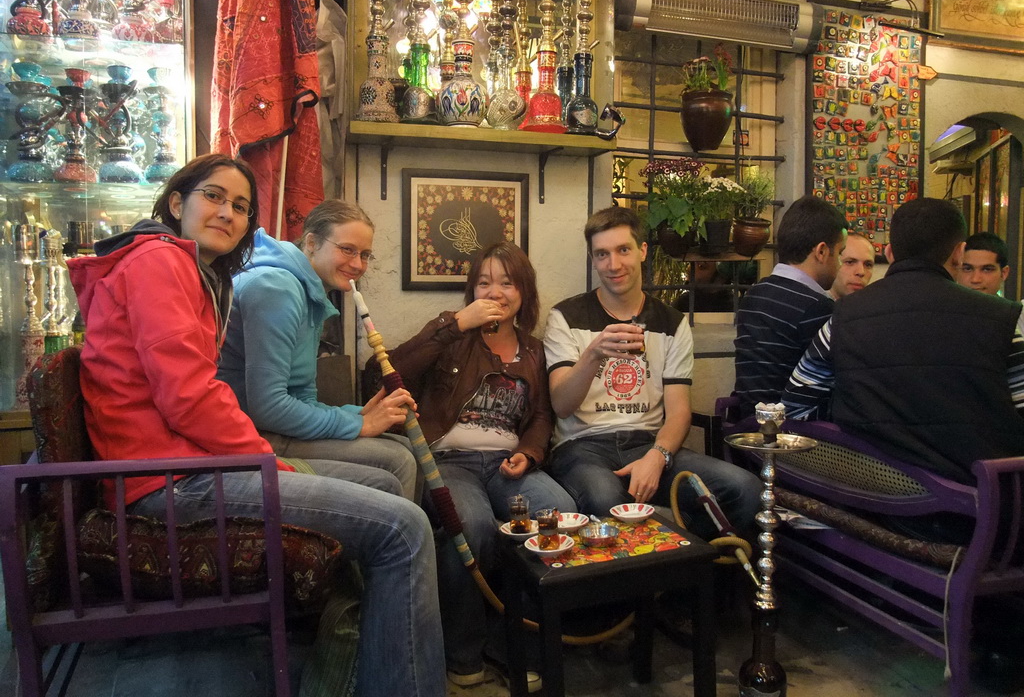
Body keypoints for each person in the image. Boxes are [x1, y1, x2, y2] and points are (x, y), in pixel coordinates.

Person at [67, 154, 445, 697]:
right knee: (404, 530)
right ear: (177, 203)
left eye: (240, 206)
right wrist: (272, 460)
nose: (227, 212)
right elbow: (191, 399)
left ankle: (353, 664)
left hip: (186, 464)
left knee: (390, 484)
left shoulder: (186, 268)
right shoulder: (161, 263)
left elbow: (199, 394)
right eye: (214, 197)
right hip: (167, 481)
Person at [373, 241, 574, 690]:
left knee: (556, 513)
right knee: (470, 524)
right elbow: (381, 373)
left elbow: (542, 416)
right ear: (471, 289)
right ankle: (463, 649)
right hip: (450, 461)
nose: (496, 291)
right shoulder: (452, 335)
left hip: (508, 463)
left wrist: (531, 452)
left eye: (507, 281)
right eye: (484, 281)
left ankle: (518, 644)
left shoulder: (536, 350)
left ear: (524, 290)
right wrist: (453, 324)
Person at [543, 206, 759, 540]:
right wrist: (594, 354)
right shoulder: (566, 317)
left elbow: (678, 412)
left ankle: (684, 577)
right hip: (582, 448)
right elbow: (561, 405)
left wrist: (657, 458)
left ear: (643, 251)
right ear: (593, 258)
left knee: (745, 488)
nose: (613, 265)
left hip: (649, 443)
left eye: (623, 250)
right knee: (606, 498)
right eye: (602, 254)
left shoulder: (672, 323)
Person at [783, 197, 1024, 486]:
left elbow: (796, 408)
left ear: (890, 251)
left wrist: (853, 411)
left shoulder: (843, 318)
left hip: (873, 503)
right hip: (977, 510)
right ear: (960, 253)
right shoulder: (1003, 321)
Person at [217, 200, 419, 500]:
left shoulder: (308, 292)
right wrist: (359, 424)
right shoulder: (277, 289)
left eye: (364, 255)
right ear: (311, 242)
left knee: (403, 446)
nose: (357, 265)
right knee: (397, 460)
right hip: (247, 436)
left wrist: (361, 413)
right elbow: (267, 408)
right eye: (347, 249)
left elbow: (301, 398)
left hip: (269, 427)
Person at [733, 195, 847, 416]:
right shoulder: (816, 307)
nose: (841, 264)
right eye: (841, 254)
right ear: (821, 252)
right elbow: (834, 381)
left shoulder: (754, 294)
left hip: (747, 426)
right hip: (791, 433)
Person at [829, 232, 876, 299]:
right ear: (832, 263)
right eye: (850, 262)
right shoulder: (813, 306)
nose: (861, 272)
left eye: (868, 265)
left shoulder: (879, 308)